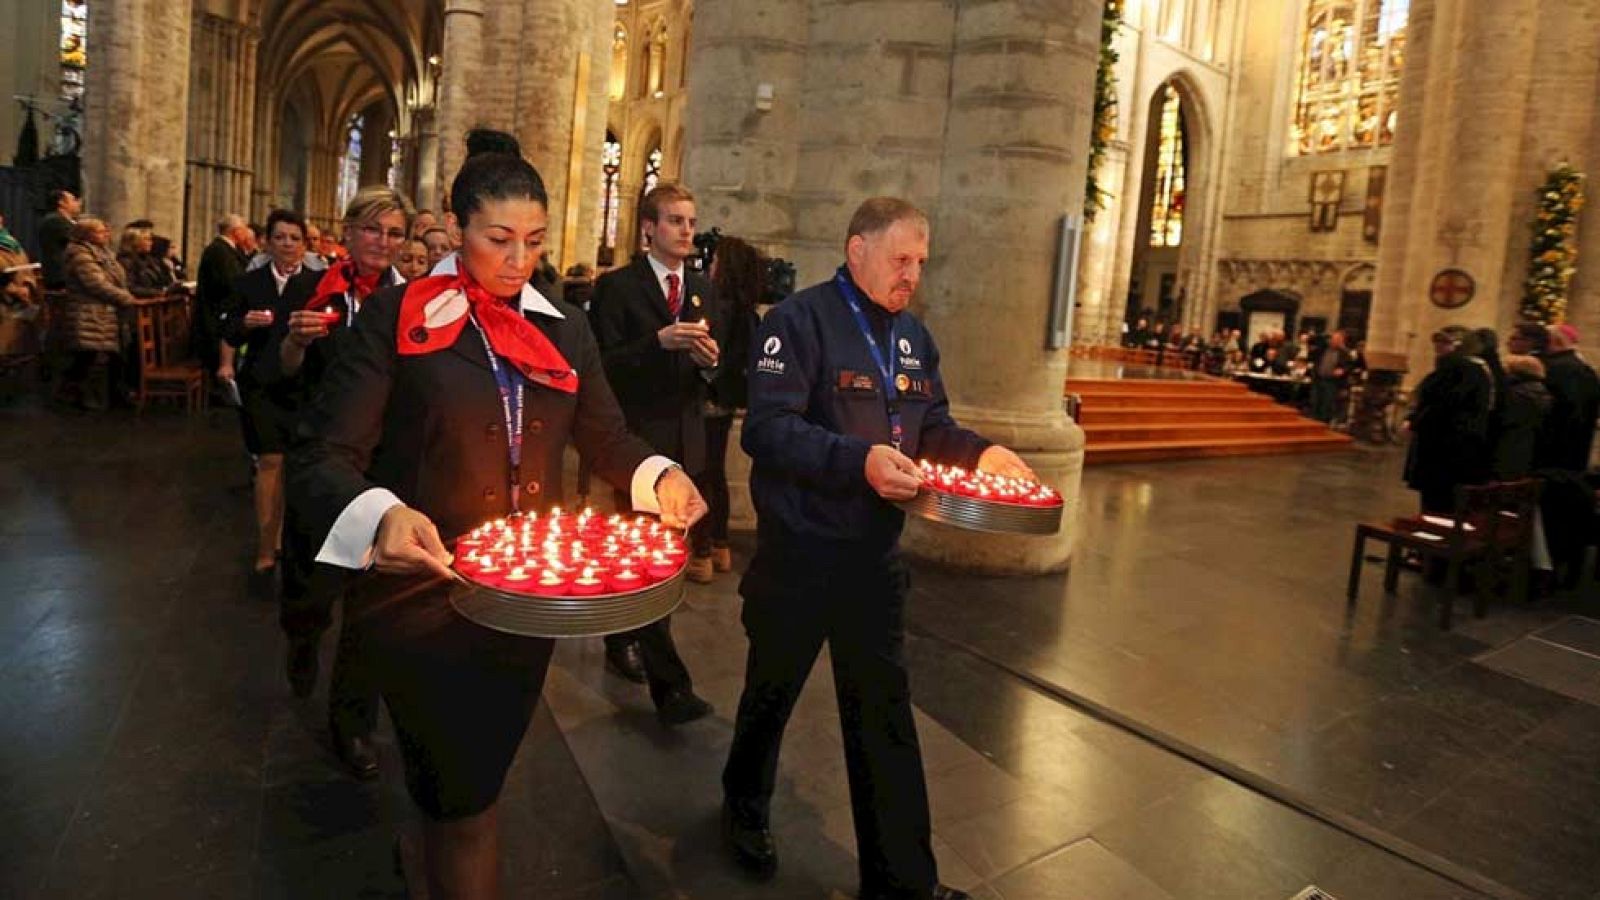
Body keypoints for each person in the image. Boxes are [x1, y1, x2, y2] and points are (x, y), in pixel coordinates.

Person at [288, 145, 706, 899]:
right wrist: (380, 515)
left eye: (536, 240)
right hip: (423, 596)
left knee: (474, 783)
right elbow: (324, 455)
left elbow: (607, 437)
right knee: (462, 796)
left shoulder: (565, 328)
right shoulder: (398, 317)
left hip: (521, 607)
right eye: (497, 239)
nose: (519, 260)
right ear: (456, 226)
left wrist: (659, 475)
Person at [722, 197, 1033, 900]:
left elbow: (933, 425)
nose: (912, 275)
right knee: (769, 695)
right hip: (799, 554)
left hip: (872, 562)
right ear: (856, 248)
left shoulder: (916, 339)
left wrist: (983, 454)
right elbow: (766, 431)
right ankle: (743, 807)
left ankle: (901, 884)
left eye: (920, 262)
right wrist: (856, 460)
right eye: (901, 259)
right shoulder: (797, 322)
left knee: (885, 718)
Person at [260, 186, 415, 781]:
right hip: (321, 456)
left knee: (370, 604)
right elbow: (278, 370)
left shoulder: (409, 299)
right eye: (374, 230)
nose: (384, 242)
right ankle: (301, 639)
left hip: (380, 464)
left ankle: (352, 724)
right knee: (312, 589)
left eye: (395, 233)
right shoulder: (312, 288)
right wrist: (297, 342)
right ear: (348, 233)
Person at [587, 182, 720, 723]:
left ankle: (621, 635)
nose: (686, 230)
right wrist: (656, 343)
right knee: (651, 560)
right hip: (634, 443)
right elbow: (599, 366)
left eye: (690, 221)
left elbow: (719, 372)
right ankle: (672, 688)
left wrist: (710, 363)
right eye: (674, 221)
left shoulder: (703, 288)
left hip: (686, 440)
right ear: (648, 227)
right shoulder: (618, 287)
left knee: (654, 557)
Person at [220, 209, 312, 587]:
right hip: (260, 383)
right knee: (270, 460)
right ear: (267, 242)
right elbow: (227, 330)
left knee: (298, 465)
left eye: (294, 238)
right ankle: (264, 546)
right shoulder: (249, 282)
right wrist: (244, 324)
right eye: (280, 237)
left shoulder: (317, 283)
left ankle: (288, 537)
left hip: (304, 385)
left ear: (304, 245)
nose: (287, 244)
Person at [696, 235, 764, 576]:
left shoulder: (718, 307)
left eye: (716, 260)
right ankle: (720, 546)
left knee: (700, 474)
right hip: (727, 402)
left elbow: (713, 355)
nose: (710, 266)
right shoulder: (750, 314)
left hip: (707, 399)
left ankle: (701, 552)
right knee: (716, 473)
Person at [1404, 327, 1494, 513]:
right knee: (1437, 497)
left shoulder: (1463, 369)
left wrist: (1416, 421)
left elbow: (1443, 403)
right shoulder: (1459, 367)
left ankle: (1436, 535)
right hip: (1446, 443)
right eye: (1437, 342)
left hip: (1448, 445)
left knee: (1441, 500)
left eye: (1445, 342)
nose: (1438, 346)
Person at [57, 218, 137, 410]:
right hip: (88, 311)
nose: (106, 233)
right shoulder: (80, 254)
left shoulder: (102, 252)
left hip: (105, 311)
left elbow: (115, 277)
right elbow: (95, 283)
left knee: (110, 355)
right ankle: (74, 395)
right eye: (101, 231)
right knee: (87, 356)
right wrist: (125, 298)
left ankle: (112, 395)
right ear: (87, 235)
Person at [1535, 323, 1600, 472]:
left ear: (1553, 341)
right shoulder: (1586, 369)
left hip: (1553, 446)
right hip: (1579, 443)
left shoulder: (1555, 367)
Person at [196, 214, 252, 382]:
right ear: (235, 231)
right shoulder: (218, 250)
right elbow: (229, 281)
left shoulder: (228, 250)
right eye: (243, 230)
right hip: (216, 314)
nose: (246, 234)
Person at [1494, 354, 1551, 479]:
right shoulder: (1541, 391)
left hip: (1507, 447)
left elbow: (1503, 419)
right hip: (1528, 447)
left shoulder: (1516, 393)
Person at [1309, 329, 1358, 423]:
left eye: (1338, 339)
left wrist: (1342, 370)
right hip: (1318, 379)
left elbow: (1349, 366)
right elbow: (1312, 343)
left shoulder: (1345, 353)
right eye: (1333, 338)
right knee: (1315, 403)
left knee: (1326, 406)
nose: (1335, 341)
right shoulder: (1322, 349)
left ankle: (1323, 425)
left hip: (1332, 382)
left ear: (1342, 341)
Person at [38, 188, 80, 289]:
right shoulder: (55, 220)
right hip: (60, 276)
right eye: (73, 200)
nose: (78, 203)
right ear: (61, 202)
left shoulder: (67, 221)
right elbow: (77, 240)